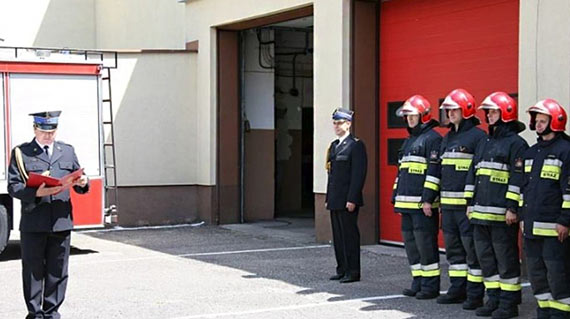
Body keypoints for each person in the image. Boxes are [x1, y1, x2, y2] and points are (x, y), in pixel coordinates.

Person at [7, 111, 90, 319]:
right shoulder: (22, 152)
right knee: (33, 271)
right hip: (34, 222)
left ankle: (52, 313)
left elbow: (79, 182)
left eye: (52, 132)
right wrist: (35, 192)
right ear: (35, 129)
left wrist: (83, 183)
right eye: (44, 132)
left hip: (61, 222)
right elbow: (13, 187)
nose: (48, 136)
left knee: (58, 272)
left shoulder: (67, 151)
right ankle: (35, 314)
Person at [465, 92, 528, 318]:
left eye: (493, 111)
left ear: (506, 113)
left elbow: (518, 178)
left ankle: (509, 304)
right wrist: (470, 204)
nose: (489, 116)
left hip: (502, 215)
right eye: (488, 112)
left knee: (506, 259)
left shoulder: (517, 144)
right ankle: (493, 300)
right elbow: (475, 173)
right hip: (480, 214)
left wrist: (513, 208)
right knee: (486, 259)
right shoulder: (484, 142)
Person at [423, 89, 486, 309]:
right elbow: (436, 170)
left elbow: (480, 173)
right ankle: (457, 288)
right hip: (448, 207)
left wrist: (473, 203)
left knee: (473, 252)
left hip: (466, 208)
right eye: (447, 110)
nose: (449, 113)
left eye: (453, 109)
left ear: (466, 110)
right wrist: (429, 198)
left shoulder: (478, 137)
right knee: (454, 251)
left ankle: (475, 293)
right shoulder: (448, 137)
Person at [521, 99, 570, 319]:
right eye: (536, 121)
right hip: (531, 227)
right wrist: (522, 217)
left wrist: (565, 220)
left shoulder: (566, 151)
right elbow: (525, 188)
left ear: (556, 122)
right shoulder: (532, 153)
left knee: (558, 274)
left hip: (554, 228)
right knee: (536, 273)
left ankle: (560, 314)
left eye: (543, 121)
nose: (538, 125)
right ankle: (544, 311)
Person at [392, 95, 442, 299]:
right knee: (412, 246)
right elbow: (401, 171)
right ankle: (418, 281)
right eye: (407, 116)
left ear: (423, 115)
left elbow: (433, 171)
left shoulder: (433, 139)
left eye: (413, 115)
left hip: (423, 206)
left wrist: (428, 199)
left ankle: (430, 286)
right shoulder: (409, 140)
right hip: (406, 203)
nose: (409, 119)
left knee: (426, 246)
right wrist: (395, 194)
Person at [326, 107, 367, 283]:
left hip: (347, 199)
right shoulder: (334, 146)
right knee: (338, 236)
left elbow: (358, 175)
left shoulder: (355, 145)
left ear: (348, 124)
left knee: (349, 236)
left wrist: (352, 198)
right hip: (335, 199)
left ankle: (353, 271)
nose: (336, 126)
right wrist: (328, 198)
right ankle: (342, 268)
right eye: (334, 123)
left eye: (339, 122)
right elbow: (332, 175)